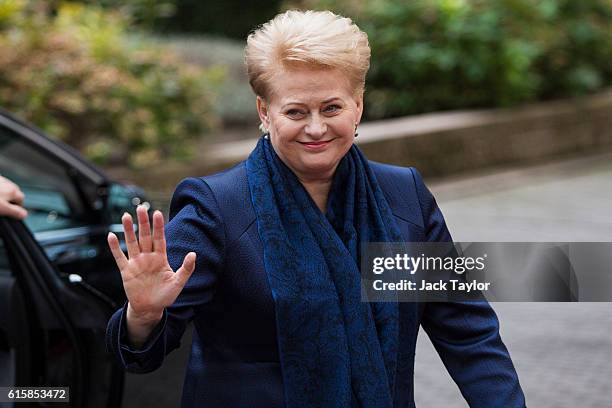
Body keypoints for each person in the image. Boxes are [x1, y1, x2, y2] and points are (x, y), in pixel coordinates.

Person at [106, 10, 526, 407]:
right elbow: (141, 354)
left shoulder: (403, 198)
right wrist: (143, 315)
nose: (316, 128)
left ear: (358, 105)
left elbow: (468, 333)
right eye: (295, 111)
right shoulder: (217, 206)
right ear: (264, 112)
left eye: (332, 108)